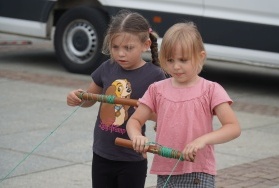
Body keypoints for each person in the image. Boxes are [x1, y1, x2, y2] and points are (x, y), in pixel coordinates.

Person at [126, 22, 241, 187]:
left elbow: (233, 127)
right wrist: (137, 136)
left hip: (198, 173)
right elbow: (134, 121)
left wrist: (202, 140)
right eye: (170, 60)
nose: (176, 66)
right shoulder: (156, 90)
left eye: (183, 60)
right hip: (166, 171)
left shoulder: (210, 90)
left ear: (200, 56)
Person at [66, 10, 166, 188]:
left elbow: (164, 114)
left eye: (128, 48)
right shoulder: (107, 67)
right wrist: (78, 99)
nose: (120, 54)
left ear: (145, 44)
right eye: (115, 47)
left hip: (132, 157)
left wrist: (147, 114)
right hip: (102, 153)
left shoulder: (155, 75)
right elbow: (90, 99)